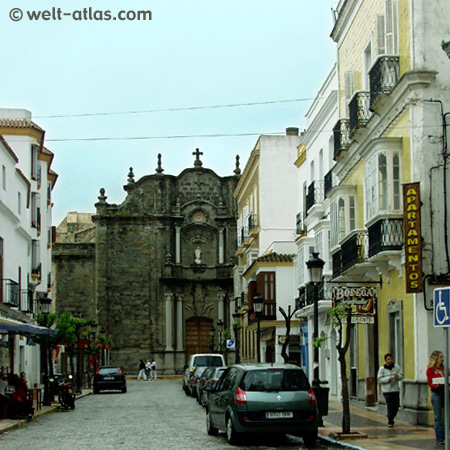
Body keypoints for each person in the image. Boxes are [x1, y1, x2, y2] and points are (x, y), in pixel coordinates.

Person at [377, 353, 403, 427]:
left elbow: (401, 376)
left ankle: (390, 415)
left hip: (395, 389)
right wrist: (388, 379)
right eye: (388, 359)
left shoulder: (396, 367)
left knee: (396, 405)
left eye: (391, 359)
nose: (390, 360)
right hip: (386, 390)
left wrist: (397, 376)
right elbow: (379, 379)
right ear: (386, 360)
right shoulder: (382, 369)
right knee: (390, 405)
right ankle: (390, 421)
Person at [427, 350, 447, 445]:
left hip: (445, 392)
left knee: (446, 415)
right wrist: (436, 385)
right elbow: (430, 382)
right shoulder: (430, 370)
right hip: (436, 393)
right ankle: (439, 438)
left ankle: (445, 434)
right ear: (435, 359)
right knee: (438, 416)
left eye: (442, 357)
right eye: (440, 357)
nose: (442, 359)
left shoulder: (444, 369)